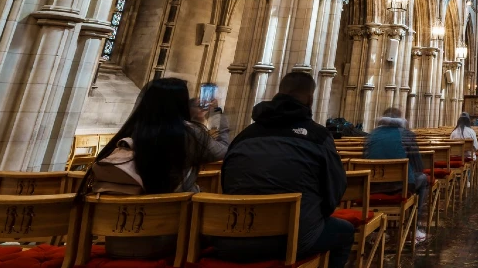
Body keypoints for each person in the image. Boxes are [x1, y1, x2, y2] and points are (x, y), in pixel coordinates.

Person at [216, 72, 353, 268]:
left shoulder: (244, 136)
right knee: (345, 232)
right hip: (292, 240)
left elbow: (226, 184)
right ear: (311, 98)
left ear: (278, 93)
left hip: (231, 238)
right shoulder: (318, 137)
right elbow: (335, 189)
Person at [93, 78, 227, 258]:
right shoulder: (189, 133)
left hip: (120, 240)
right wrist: (217, 114)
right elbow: (223, 151)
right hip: (171, 239)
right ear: (180, 103)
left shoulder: (131, 131)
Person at [364, 107, 429, 243]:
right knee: (423, 179)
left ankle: (375, 230)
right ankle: (414, 228)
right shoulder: (406, 135)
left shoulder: (371, 136)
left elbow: (364, 160)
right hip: (400, 187)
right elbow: (418, 166)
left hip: (372, 187)